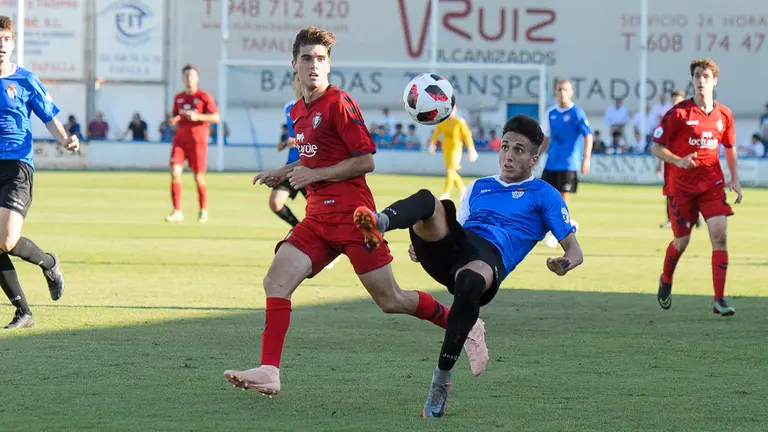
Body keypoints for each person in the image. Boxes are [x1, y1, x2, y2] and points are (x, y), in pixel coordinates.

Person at [223, 26, 488, 395]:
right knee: (276, 281)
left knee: (391, 300)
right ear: (294, 64)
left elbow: (365, 160)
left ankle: (465, 322)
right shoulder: (299, 111)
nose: (314, 65)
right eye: (306, 58)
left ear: (329, 64)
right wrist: (283, 172)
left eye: (320, 58)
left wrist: (314, 174)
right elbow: (314, 157)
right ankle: (270, 371)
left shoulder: (340, 103)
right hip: (317, 220)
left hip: (354, 219)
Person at [353, 114, 584, 418]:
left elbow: (575, 251)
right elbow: (456, 230)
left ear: (533, 159)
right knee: (428, 200)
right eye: (505, 147)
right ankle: (380, 222)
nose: (508, 156)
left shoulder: (545, 195)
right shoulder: (478, 187)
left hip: (490, 258)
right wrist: (425, 245)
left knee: (469, 282)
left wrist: (564, 263)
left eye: (518, 150)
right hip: (459, 247)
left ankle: (440, 382)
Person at [651, 58, 742, 316]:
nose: (701, 80)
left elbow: (730, 147)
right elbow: (656, 147)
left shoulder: (724, 114)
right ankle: (666, 279)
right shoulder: (678, 113)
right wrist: (678, 160)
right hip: (681, 188)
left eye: (705, 76)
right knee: (681, 241)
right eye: (697, 76)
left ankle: (719, 299)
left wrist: (735, 179)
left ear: (714, 81)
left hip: (712, 184)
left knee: (720, 236)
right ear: (692, 80)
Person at [0, 16, 72, 329]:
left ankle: (49, 263)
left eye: (5, 39)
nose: (0, 45)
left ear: (12, 43)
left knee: (6, 240)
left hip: (17, 165)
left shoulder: (26, 80)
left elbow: (49, 117)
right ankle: (24, 312)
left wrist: (65, 140)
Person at [538, 79, 594, 248]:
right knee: (545, 197)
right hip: (551, 162)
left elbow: (588, 135)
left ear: (571, 92)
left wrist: (586, 157)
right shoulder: (550, 113)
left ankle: (558, 232)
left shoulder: (577, 112)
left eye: (565, 89)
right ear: (555, 92)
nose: (562, 92)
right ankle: (567, 224)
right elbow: (546, 138)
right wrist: (537, 155)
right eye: (559, 89)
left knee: (563, 198)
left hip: (569, 163)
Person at [165, 64, 220, 224]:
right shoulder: (179, 98)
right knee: (175, 173)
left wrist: (198, 117)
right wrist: (173, 120)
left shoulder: (204, 97)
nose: (189, 79)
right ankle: (177, 211)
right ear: (183, 78)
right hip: (180, 141)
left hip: (198, 142)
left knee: (198, 177)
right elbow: (175, 116)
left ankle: (203, 210)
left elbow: (216, 117)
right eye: (187, 76)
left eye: (192, 76)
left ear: (197, 78)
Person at [269, 73, 306, 228]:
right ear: (293, 83)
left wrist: (297, 141)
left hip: (309, 167)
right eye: (298, 79)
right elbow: (292, 132)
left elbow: (316, 136)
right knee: (275, 203)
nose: (302, 82)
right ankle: (299, 230)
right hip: (291, 165)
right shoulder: (289, 108)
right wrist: (284, 143)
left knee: (320, 211)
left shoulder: (313, 106)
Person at [428, 107, 478, 200]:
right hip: (446, 148)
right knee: (450, 171)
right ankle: (462, 188)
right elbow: (436, 133)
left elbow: (467, 135)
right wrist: (432, 144)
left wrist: (471, 148)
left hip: (456, 148)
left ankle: (446, 193)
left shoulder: (459, 122)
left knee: (450, 169)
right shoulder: (442, 122)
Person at [656, 90, 687, 229]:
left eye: (678, 100)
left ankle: (692, 218)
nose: (675, 103)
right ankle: (671, 219)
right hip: (670, 160)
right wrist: (658, 163)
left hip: (686, 159)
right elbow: (660, 144)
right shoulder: (667, 118)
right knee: (670, 190)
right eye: (674, 100)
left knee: (689, 190)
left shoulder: (690, 117)